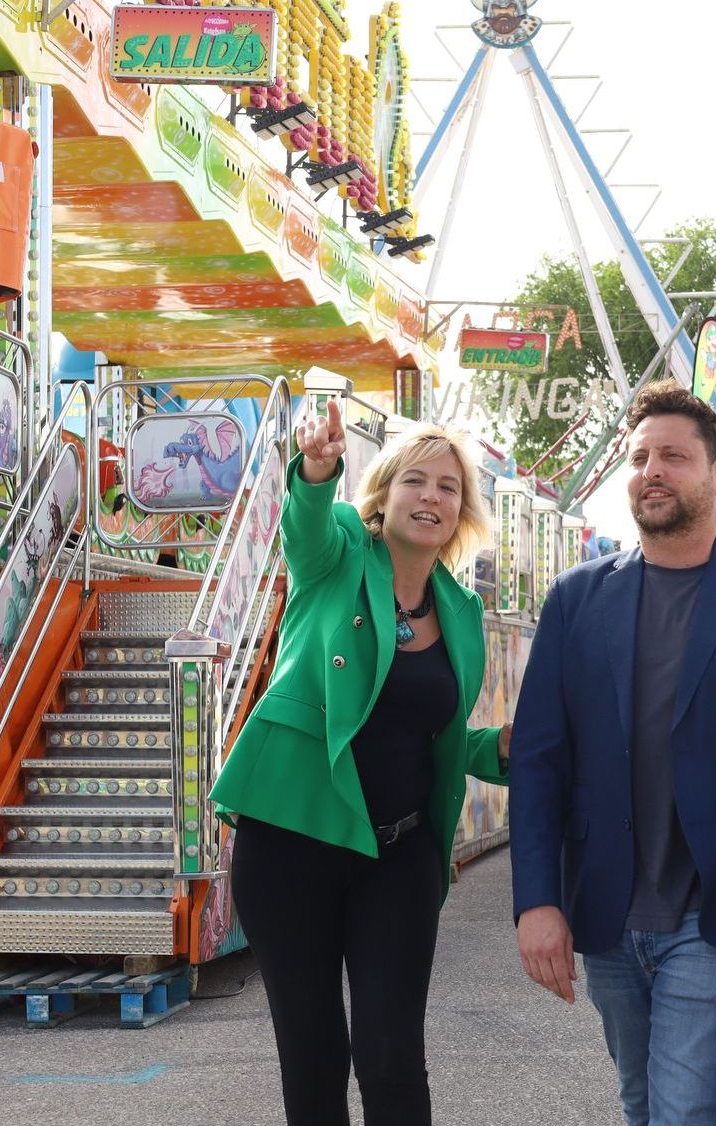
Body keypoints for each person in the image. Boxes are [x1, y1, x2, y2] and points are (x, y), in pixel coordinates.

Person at [508, 382, 716, 1126]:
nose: (651, 471)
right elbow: (537, 762)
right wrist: (537, 902)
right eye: (639, 457)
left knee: (686, 1111)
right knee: (643, 1104)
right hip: (607, 912)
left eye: (674, 457)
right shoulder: (575, 599)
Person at [210, 400, 510, 1126]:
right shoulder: (340, 549)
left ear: (462, 511)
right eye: (416, 480)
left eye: (447, 486)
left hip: (399, 854)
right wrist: (316, 469)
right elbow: (303, 528)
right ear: (384, 492)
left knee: (392, 1051)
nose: (431, 496)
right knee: (314, 1055)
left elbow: (424, 736)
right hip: (291, 840)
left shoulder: (462, 612)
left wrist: (502, 751)